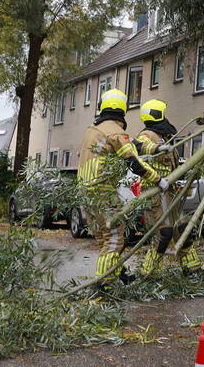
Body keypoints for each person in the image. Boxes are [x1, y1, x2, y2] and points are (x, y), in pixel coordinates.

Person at [77, 88, 173, 281]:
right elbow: (134, 161)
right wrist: (158, 179)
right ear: (123, 111)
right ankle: (103, 284)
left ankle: (118, 275)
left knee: (105, 239)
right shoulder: (116, 132)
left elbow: (136, 145)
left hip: (85, 193)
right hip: (103, 192)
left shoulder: (92, 130)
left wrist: (157, 148)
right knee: (114, 239)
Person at [134, 99, 202, 275]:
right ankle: (148, 273)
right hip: (155, 193)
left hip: (170, 192)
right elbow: (138, 146)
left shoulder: (164, 137)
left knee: (183, 229)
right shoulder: (147, 135)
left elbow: (173, 166)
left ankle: (192, 269)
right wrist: (157, 148)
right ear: (158, 115)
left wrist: (188, 171)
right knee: (163, 234)